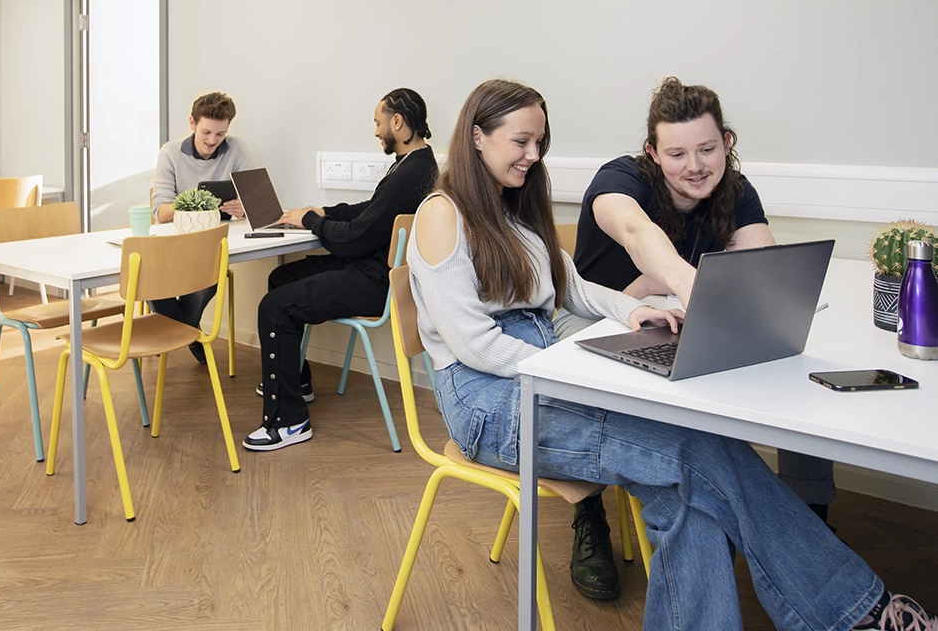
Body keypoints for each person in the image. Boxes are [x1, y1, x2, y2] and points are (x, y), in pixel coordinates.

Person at [407, 78, 933, 631]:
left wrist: (630, 313)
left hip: (540, 372)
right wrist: (572, 368)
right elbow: (475, 344)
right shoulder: (442, 213)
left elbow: (571, 286)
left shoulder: (512, 209)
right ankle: (860, 614)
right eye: (521, 142)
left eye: (541, 142)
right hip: (487, 401)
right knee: (692, 446)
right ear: (476, 137)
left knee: (685, 500)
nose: (534, 156)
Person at [568, 76, 835, 601]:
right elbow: (639, 236)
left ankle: (811, 522)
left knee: (797, 377)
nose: (695, 166)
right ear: (652, 152)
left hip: (676, 331)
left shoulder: (735, 192)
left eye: (708, 149)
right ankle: (587, 512)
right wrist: (688, 282)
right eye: (677, 153)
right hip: (594, 338)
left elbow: (761, 266)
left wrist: (756, 300)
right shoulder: (621, 179)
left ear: (727, 144)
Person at [243, 88, 438, 451]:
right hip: (376, 273)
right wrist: (322, 212)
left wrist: (314, 222)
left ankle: (288, 423)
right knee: (280, 278)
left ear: (398, 122)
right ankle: (296, 382)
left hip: (373, 282)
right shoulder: (416, 166)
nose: (377, 131)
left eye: (379, 123)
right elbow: (371, 211)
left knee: (275, 307)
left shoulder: (413, 172)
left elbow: (354, 240)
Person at [149, 91, 255, 362]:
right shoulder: (170, 153)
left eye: (220, 135)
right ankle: (191, 331)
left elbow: (255, 200)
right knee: (148, 281)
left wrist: (244, 207)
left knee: (208, 274)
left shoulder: (237, 148)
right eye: (206, 132)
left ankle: (185, 330)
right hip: (171, 246)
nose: (212, 141)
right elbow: (160, 212)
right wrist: (200, 204)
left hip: (211, 247)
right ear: (192, 123)